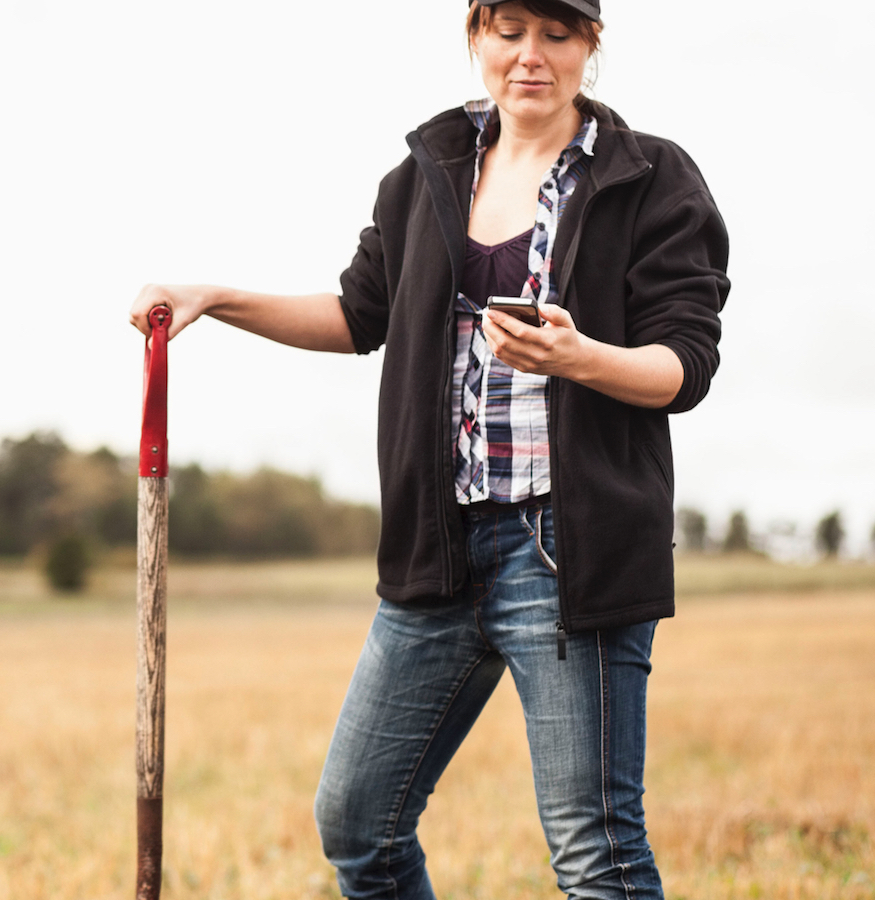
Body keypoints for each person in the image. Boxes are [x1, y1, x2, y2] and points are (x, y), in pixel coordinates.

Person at [126, 0, 730, 897]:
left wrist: (578, 357)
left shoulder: (650, 177)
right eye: (510, 32)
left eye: (557, 34)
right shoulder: (427, 171)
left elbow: (684, 365)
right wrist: (213, 299)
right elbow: (356, 315)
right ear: (477, 34)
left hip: (568, 555)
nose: (531, 56)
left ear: (590, 45)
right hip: (438, 550)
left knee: (595, 854)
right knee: (357, 827)